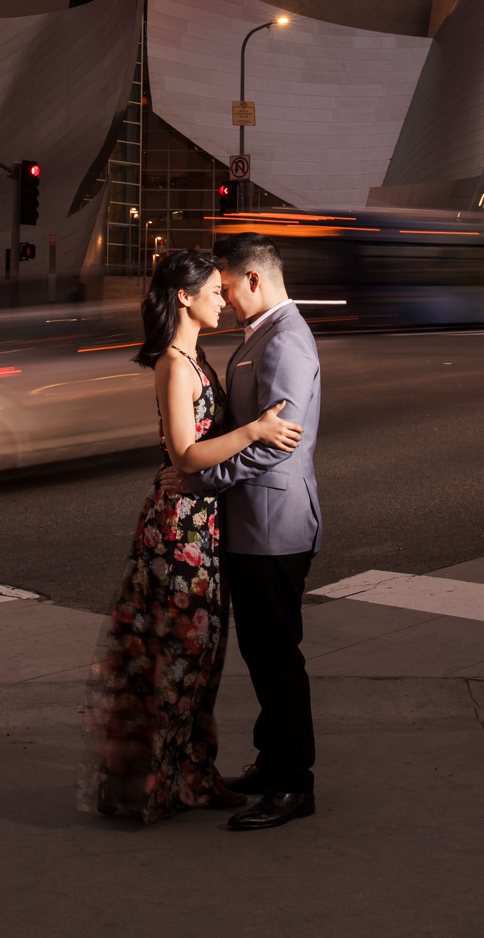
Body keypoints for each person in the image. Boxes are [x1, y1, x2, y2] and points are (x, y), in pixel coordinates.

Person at [79, 248, 303, 823]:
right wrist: (255, 430)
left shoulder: (195, 356)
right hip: (179, 532)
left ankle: (193, 777)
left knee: (200, 660)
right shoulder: (175, 364)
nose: (223, 297)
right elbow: (185, 452)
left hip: (203, 524)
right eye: (213, 289)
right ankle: (160, 784)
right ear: (184, 296)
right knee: (178, 659)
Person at [182, 231, 324, 832]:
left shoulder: (285, 340)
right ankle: (273, 763)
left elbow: (277, 442)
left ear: (255, 280)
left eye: (229, 286)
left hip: (273, 524)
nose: (226, 297)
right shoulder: (263, 334)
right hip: (254, 524)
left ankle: (295, 782)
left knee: (276, 657)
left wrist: (203, 481)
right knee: (262, 652)